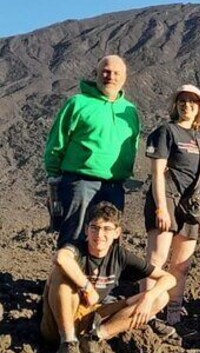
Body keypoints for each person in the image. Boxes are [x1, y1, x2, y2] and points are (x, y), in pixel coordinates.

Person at [40, 202, 176, 353]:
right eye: (94, 228)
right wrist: (87, 287)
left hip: (92, 316)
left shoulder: (120, 255)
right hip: (58, 322)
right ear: (86, 230)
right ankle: (67, 343)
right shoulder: (76, 248)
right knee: (60, 273)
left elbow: (169, 278)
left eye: (107, 229)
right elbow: (61, 258)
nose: (100, 234)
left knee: (161, 296)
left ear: (117, 232)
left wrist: (148, 296)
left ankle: (93, 338)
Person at [44, 55, 141, 246]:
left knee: (107, 242)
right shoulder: (78, 103)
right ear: (96, 73)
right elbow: (57, 140)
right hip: (80, 183)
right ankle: (67, 276)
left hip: (115, 186)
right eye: (105, 71)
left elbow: (133, 145)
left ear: (124, 77)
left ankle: (101, 277)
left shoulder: (130, 111)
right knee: (75, 237)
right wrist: (53, 177)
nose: (110, 76)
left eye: (116, 73)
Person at [144, 85, 200, 332]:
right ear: (176, 105)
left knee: (181, 264)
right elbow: (157, 172)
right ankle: (147, 310)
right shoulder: (166, 131)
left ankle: (174, 311)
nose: (187, 105)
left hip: (192, 205)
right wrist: (161, 207)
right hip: (168, 199)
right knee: (157, 259)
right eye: (182, 101)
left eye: (193, 102)